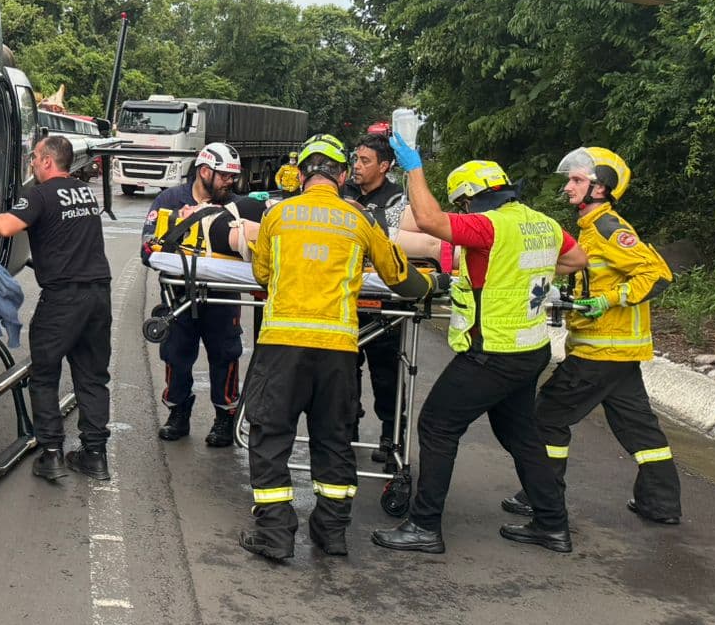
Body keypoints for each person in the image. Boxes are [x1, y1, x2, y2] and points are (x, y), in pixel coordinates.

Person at [372, 141, 586, 556]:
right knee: (521, 434)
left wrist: (414, 168)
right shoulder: (542, 224)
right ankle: (552, 524)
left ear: (469, 199)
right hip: (531, 349)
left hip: (493, 353)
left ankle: (424, 525)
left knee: (437, 425)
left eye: (464, 205)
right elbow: (577, 259)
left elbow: (431, 221)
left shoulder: (489, 226)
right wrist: (527, 271)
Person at [238, 133, 431, 561]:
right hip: (338, 351)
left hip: (282, 347)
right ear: (341, 175)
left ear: (301, 174)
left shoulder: (277, 216)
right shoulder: (360, 219)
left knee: (271, 437)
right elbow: (400, 277)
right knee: (334, 439)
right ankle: (331, 533)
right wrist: (432, 284)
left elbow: (262, 275)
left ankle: (274, 534)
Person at [503, 148, 681, 524]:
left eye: (577, 181)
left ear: (601, 189)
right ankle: (660, 504)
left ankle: (542, 498)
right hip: (613, 352)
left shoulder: (608, 228)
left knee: (546, 417)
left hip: (601, 350)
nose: (568, 187)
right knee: (640, 431)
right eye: (570, 180)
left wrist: (609, 300)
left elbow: (658, 275)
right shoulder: (590, 228)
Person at [0, 134, 113, 481]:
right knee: (92, 376)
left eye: (34, 158)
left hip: (63, 300)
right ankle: (95, 456)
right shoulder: (85, 192)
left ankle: (52, 454)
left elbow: (5, 227)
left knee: (44, 374)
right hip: (98, 296)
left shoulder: (41, 194)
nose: (31, 163)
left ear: (47, 161)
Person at [141, 141, 247, 446]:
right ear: (204, 171)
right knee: (175, 354)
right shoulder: (169, 200)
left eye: (232, 177)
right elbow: (148, 248)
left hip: (223, 296)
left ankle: (225, 418)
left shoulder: (237, 206)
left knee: (225, 355)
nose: (231, 182)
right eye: (225, 176)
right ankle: (178, 412)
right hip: (179, 296)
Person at [343, 133, 408, 468]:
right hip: (349, 293)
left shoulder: (398, 199)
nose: (357, 166)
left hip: (384, 300)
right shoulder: (345, 192)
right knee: (344, 368)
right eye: (356, 159)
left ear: (384, 166)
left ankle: (391, 435)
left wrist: (361, 215)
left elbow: (395, 237)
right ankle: (346, 428)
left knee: (386, 373)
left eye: (365, 161)